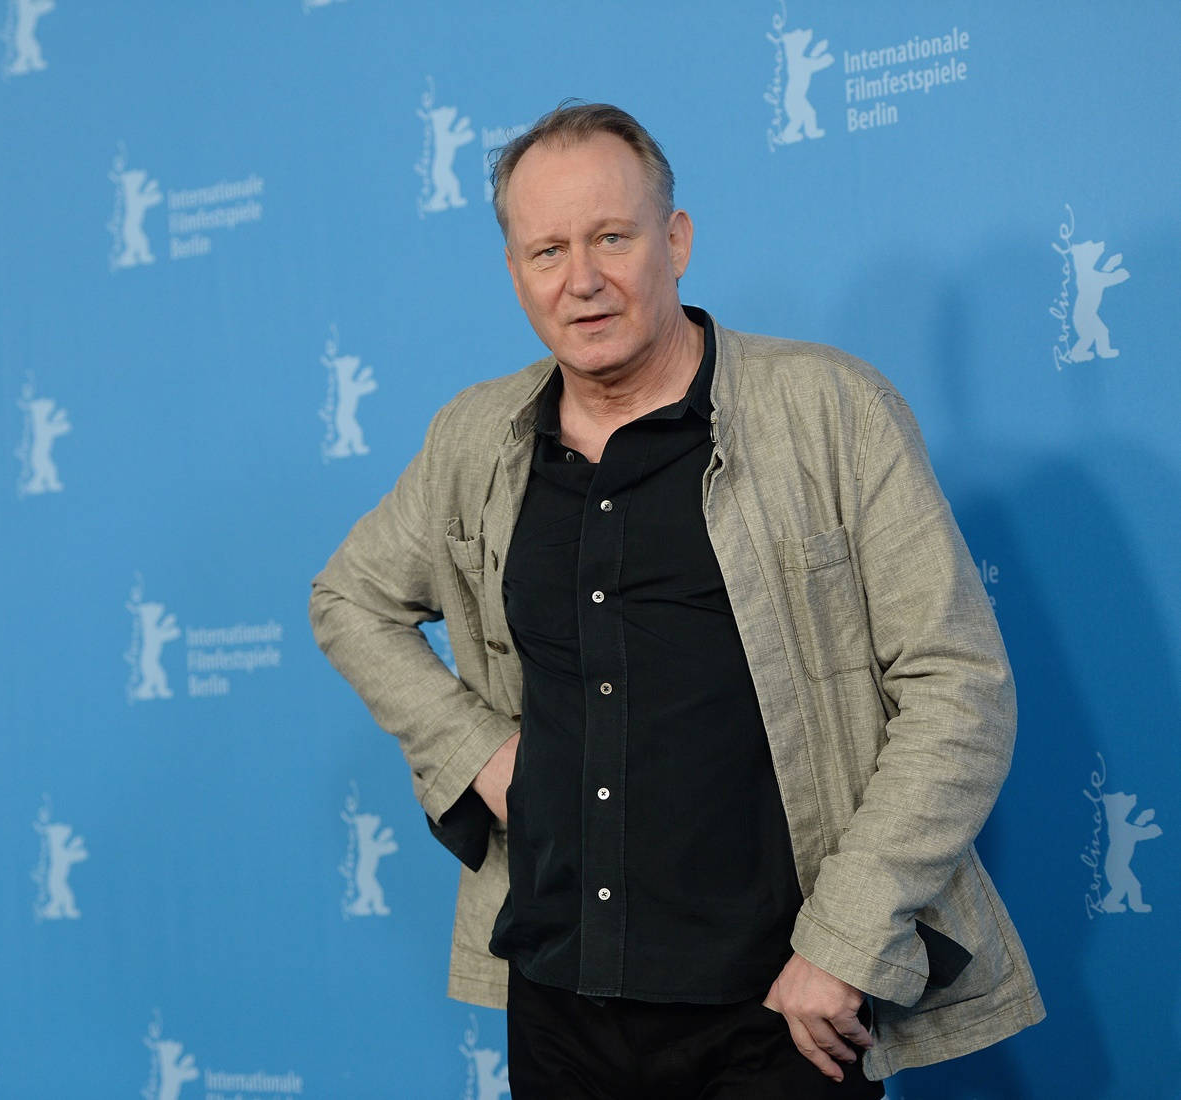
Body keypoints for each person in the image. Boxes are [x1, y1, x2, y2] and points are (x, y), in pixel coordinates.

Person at [309, 102, 1043, 1096]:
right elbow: (348, 599)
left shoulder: (830, 411)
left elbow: (959, 685)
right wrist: (471, 747)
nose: (582, 278)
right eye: (546, 250)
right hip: (558, 998)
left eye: (611, 236)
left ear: (676, 239)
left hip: (777, 1009)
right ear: (516, 271)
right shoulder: (476, 440)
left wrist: (843, 940)